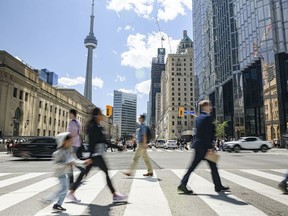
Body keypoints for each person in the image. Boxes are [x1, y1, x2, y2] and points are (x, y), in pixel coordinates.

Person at [177, 100, 230, 194]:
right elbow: (207, 134)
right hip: (205, 147)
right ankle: (217, 186)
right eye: (209, 106)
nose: (211, 107)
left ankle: (217, 185)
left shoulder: (199, 118)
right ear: (205, 107)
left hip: (199, 146)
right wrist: (210, 146)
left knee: (202, 167)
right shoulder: (208, 118)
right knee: (211, 167)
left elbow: (200, 133)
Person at [80, 107, 127, 203]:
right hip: (95, 156)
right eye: (101, 114)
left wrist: (118, 147)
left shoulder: (97, 126)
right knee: (105, 173)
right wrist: (90, 157)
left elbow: (105, 141)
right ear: (96, 116)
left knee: (84, 173)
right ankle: (114, 194)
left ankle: (71, 191)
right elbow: (92, 143)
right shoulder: (94, 127)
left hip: (95, 155)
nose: (102, 116)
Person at [42, 132, 85, 211]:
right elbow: (55, 165)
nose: (71, 142)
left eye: (71, 141)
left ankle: (57, 204)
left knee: (64, 189)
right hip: (60, 173)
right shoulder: (58, 153)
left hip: (66, 172)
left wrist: (83, 163)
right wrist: (65, 164)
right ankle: (49, 199)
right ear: (63, 142)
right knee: (64, 189)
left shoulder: (69, 150)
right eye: (69, 141)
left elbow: (74, 160)